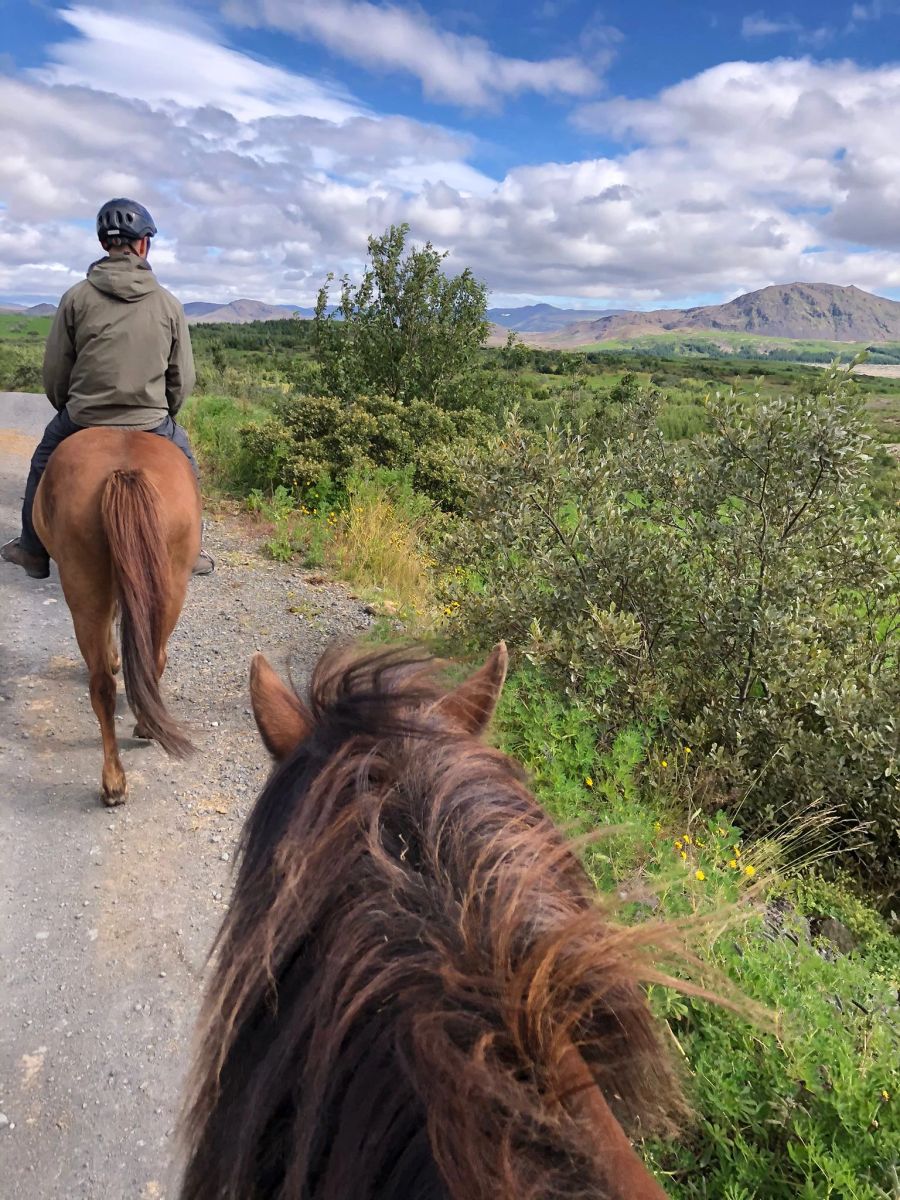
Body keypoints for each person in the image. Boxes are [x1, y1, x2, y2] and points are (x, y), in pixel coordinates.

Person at [1, 198, 214, 578]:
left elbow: (55, 371)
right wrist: (167, 413)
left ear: (104, 245)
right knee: (187, 465)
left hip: (83, 418)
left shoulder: (75, 298)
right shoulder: (169, 304)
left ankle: (33, 549)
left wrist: (68, 406)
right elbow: (182, 377)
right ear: (144, 244)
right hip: (151, 421)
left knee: (41, 462)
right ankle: (192, 548)